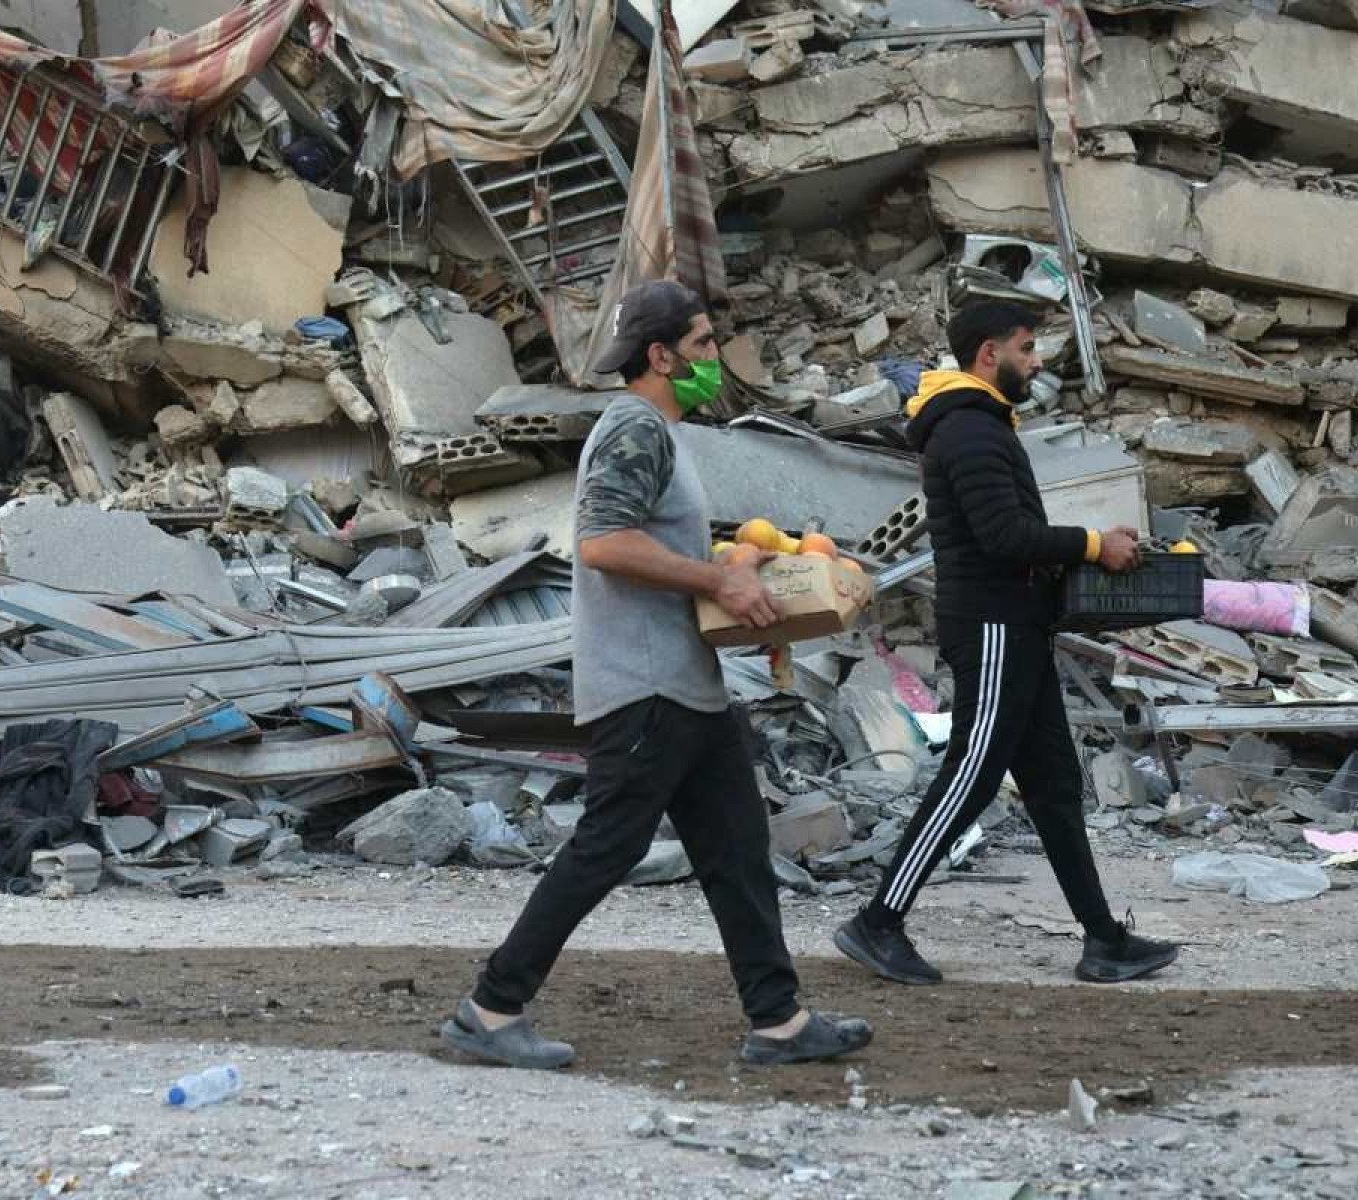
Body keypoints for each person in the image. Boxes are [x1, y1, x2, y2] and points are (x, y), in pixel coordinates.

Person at [438, 280, 873, 1070]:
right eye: (704, 345)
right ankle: (490, 1007)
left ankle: (777, 1021)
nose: (715, 359)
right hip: (644, 688)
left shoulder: (663, 437)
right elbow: (602, 543)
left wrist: (741, 572)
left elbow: (654, 551)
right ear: (662, 355)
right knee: (606, 846)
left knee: (738, 850)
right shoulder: (634, 426)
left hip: (687, 688)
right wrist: (716, 581)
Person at [833, 300, 1179, 987]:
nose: (1038, 359)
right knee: (973, 770)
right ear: (989, 354)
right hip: (993, 625)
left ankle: (1104, 939)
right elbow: (1003, 537)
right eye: (1027, 348)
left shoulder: (981, 423)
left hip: (1017, 625)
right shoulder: (968, 429)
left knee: (1053, 784)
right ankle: (878, 922)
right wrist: (1091, 546)